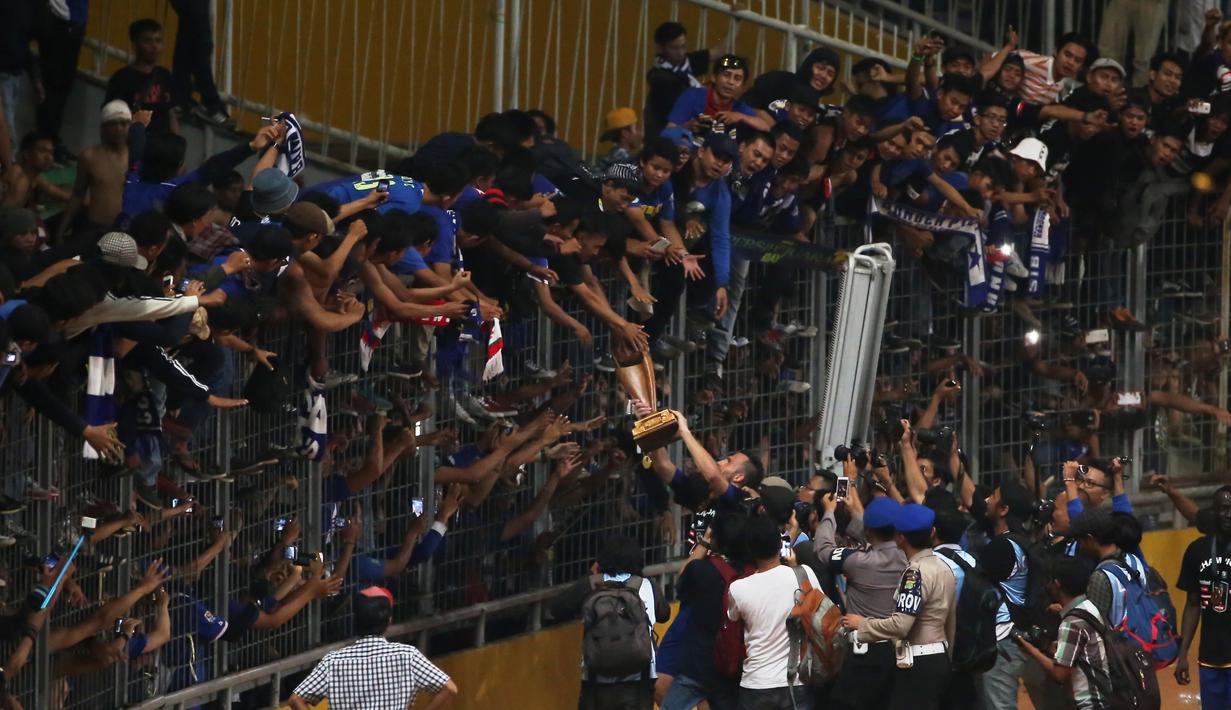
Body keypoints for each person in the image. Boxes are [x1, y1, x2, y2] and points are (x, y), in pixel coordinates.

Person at [839, 503, 956, 709]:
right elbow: (950, 622)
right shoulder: (943, 567)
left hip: (917, 663)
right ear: (932, 532)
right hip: (940, 657)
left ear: (900, 538)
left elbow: (901, 625)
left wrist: (863, 624)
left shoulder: (915, 573)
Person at [287, 586, 457, 710]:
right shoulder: (407, 656)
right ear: (389, 621)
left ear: (355, 621)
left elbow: (296, 699)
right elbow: (449, 688)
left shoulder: (332, 662)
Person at [550, 534, 669, 710]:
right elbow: (664, 614)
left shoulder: (590, 584)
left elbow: (556, 609)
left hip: (597, 678)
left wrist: (590, 574)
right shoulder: (648, 585)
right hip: (640, 678)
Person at [815, 494, 907, 709]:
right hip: (896, 650)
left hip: (862, 652)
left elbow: (823, 549)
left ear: (868, 531)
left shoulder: (857, 561)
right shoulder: (908, 558)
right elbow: (877, 541)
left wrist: (829, 513)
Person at [726, 513, 819, 709]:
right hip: (796, 682)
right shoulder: (804, 574)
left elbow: (732, 616)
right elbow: (819, 611)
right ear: (779, 544)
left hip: (755, 684)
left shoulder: (738, 588)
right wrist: (794, 567)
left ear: (750, 550)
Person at [1014, 555, 1111, 710]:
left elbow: (1059, 674)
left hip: (1088, 703)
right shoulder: (1090, 607)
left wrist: (1031, 650)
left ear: (1057, 584)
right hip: (1104, 696)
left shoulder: (1071, 622)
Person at [1176, 485, 1231, 710]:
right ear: (1214, 511)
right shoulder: (1197, 551)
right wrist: (1183, 653)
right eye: (1224, 508)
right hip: (1211, 657)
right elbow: (1192, 604)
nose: (1229, 514)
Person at [104, 18, 178, 135]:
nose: (154, 46)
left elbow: (170, 113)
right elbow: (112, 118)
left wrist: (177, 142)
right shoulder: (122, 78)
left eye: (158, 41)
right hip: (134, 144)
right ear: (134, 45)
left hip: (163, 146)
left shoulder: (164, 75)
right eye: (147, 41)